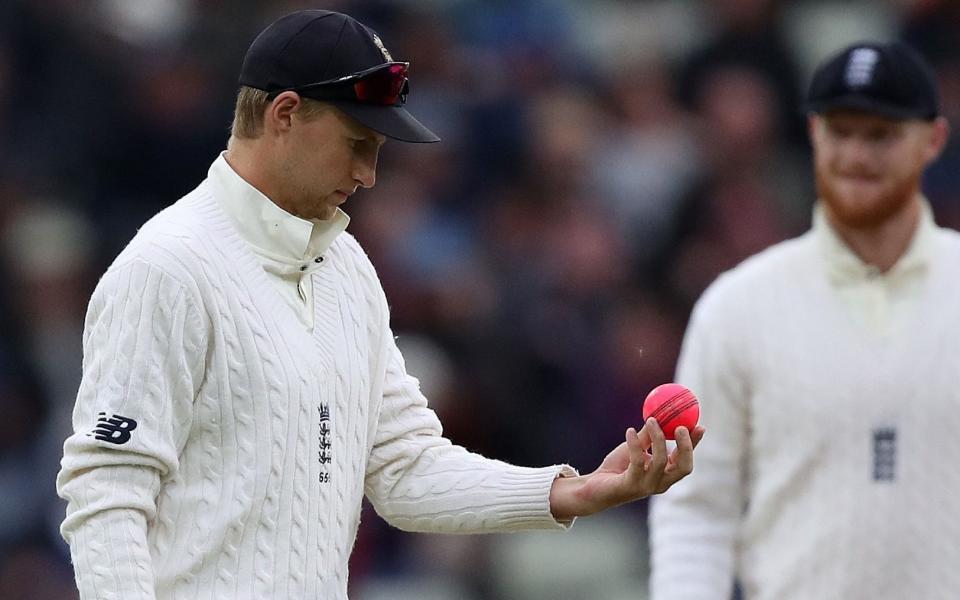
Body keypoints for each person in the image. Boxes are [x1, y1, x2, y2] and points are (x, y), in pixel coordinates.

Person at [56, 10, 704, 599]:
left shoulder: (347, 270)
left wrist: (575, 491)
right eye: (356, 143)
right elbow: (107, 494)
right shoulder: (166, 270)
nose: (368, 174)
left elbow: (404, 470)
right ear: (284, 115)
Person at [648, 41, 960, 600]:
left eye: (881, 135)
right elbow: (695, 508)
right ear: (814, 133)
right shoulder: (738, 305)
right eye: (841, 132)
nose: (857, 156)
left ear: (933, 140)